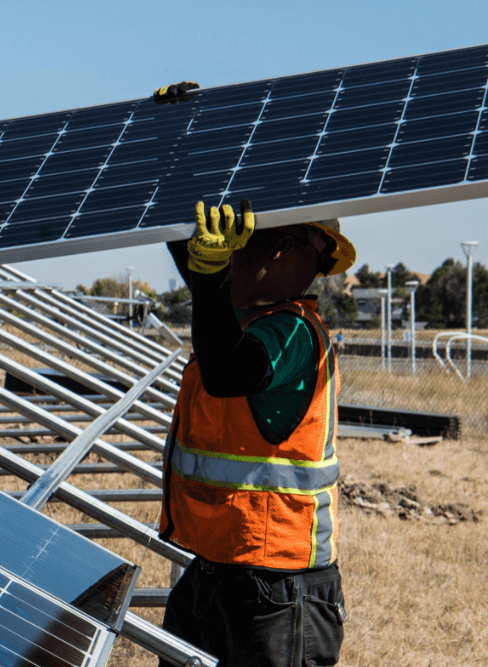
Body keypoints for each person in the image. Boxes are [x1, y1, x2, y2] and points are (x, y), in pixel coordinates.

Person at [159, 200, 355, 666]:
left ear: (280, 250)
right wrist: (173, 209)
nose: (223, 259)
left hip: (275, 586)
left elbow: (227, 370)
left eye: (235, 248)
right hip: (217, 570)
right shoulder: (242, 320)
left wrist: (209, 275)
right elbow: (208, 294)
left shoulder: (293, 333)